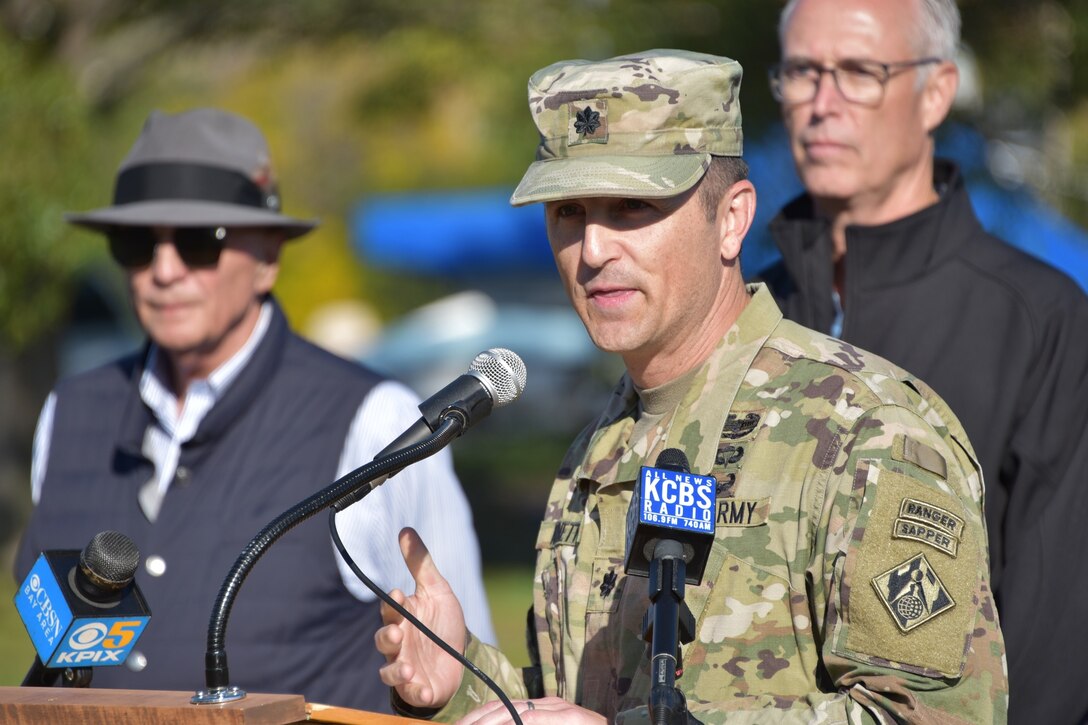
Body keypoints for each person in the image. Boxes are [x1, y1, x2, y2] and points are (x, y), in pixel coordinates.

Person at [374, 50, 1006, 723]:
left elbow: (929, 716)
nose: (592, 249)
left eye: (631, 207)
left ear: (731, 219)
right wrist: (459, 680)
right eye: (568, 212)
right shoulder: (603, 443)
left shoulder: (868, 431)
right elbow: (590, 702)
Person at [13, 108, 496, 711]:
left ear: (268, 256)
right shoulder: (68, 412)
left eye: (198, 242)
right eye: (136, 243)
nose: (164, 271)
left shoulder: (377, 419)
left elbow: (475, 690)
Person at [757, 1, 1088, 720]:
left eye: (859, 72)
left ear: (936, 91)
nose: (822, 103)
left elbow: (1055, 632)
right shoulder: (753, 313)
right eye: (803, 72)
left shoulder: (1039, 319)